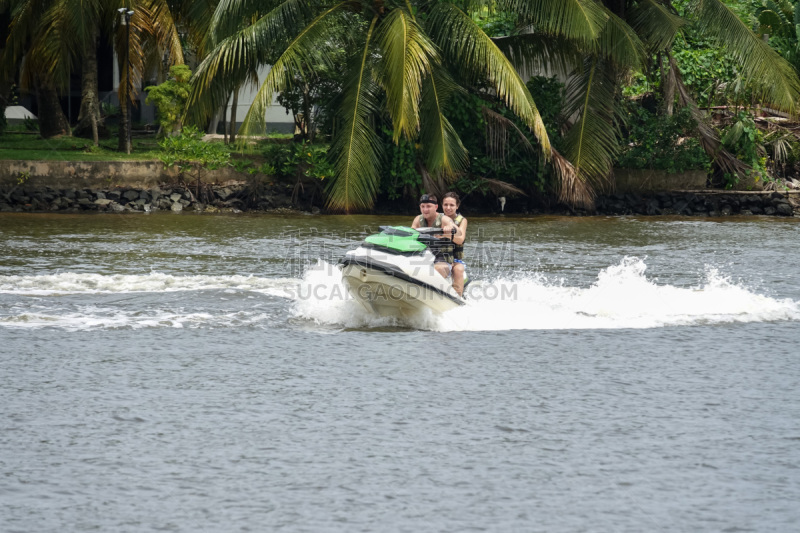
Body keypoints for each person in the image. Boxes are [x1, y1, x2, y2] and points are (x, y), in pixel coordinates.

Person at [411, 194, 456, 279]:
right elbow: (411, 232)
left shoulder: (444, 219)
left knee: (437, 269)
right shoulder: (418, 219)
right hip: (425, 257)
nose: (425, 210)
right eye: (422, 206)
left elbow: (455, 227)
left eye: (428, 206)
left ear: (436, 207)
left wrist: (450, 227)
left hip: (443, 259)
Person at [442, 192, 468, 296]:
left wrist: (445, 235)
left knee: (458, 269)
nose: (448, 208)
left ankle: (458, 298)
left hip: (455, 259)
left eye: (452, 205)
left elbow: (460, 239)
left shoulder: (462, 220)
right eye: (445, 205)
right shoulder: (437, 218)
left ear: (457, 206)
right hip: (439, 256)